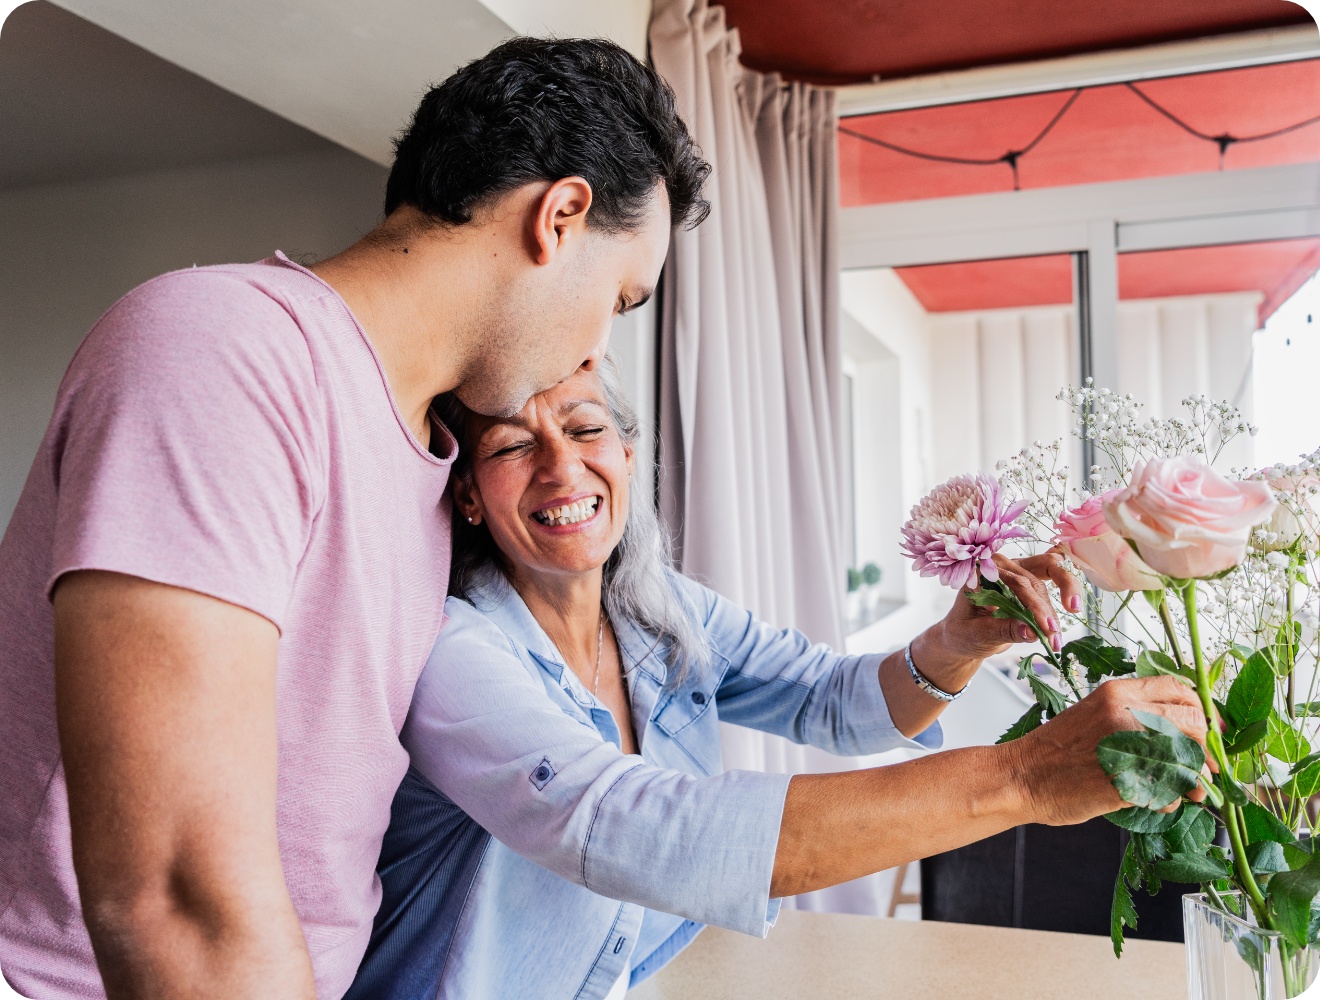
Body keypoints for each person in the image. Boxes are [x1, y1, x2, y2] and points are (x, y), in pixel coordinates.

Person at [0, 39, 707, 1000]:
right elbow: (174, 898)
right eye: (621, 297)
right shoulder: (225, 350)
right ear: (561, 217)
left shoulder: (428, 459)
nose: (599, 345)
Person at [346, 361, 1207, 999]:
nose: (562, 469)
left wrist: (954, 644)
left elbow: (828, 698)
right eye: (512, 445)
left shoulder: (656, 607)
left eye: (583, 429)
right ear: (466, 493)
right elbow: (639, 832)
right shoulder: (452, 652)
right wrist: (1028, 773)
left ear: (628, 453)